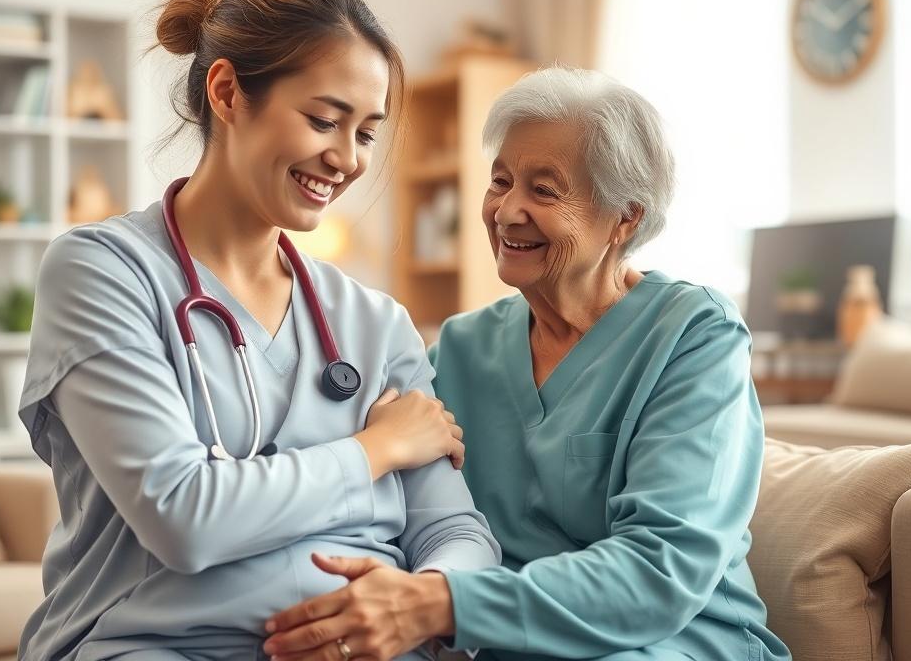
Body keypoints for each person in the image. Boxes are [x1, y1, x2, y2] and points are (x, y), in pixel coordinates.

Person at [16, 0, 499, 661]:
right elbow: (185, 517)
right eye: (324, 120)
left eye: (366, 133)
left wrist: (418, 602)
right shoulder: (102, 274)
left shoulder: (373, 323)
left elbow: (457, 534)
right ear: (227, 92)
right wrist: (377, 449)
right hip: (150, 644)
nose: (347, 159)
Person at [263, 67, 792, 661]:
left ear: (626, 218)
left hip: (676, 640)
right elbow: (390, 503)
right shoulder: (460, 349)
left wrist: (438, 605)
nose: (507, 210)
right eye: (501, 180)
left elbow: (662, 571)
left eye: (544, 190)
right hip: (502, 643)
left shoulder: (694, 336)